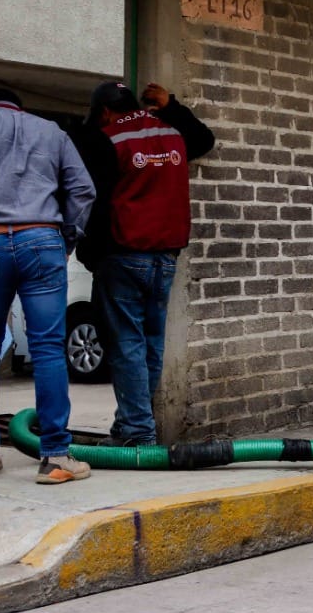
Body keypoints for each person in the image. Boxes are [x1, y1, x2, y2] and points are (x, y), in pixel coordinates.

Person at [0, 87, 96, 483]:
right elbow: (82, 189)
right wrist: (68, 237)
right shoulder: (51, 131)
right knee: (46, 346)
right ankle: (57, 457)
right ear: (18, 107)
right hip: (41, 238)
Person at [73, 81, 215, 447]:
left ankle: (137, 433)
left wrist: (89, 253)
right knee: (149, 344)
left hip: (123, 254)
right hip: (166, 255)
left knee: (126, 346)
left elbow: (94, 201)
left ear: (104, 111)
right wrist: (172, 107)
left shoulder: (106, 137)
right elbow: (205, 140)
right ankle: (131, 426)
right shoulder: (173, 131)